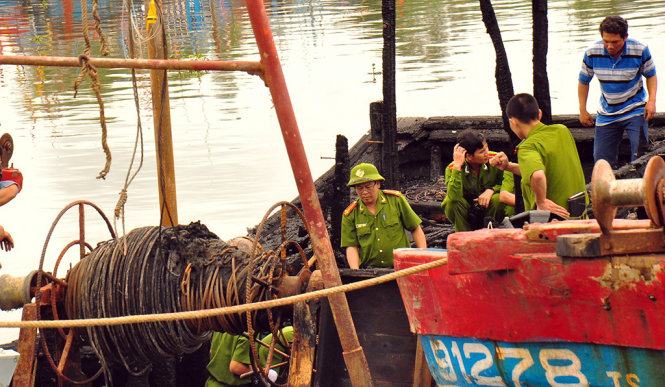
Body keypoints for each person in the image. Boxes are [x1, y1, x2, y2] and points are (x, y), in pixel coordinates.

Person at [578, 15, 657, 167]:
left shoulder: (640, 50)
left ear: (625, 37)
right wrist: (582, 109)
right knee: (601, 161)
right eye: (606, 41)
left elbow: (651, 76)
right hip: (607, 112)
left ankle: (640, 186)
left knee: (640, 155)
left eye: (615, 42)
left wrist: (652, 101)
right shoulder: (591, 53)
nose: (610, 46)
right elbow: (583, 82)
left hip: (635, 108)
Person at [492, 93, 587, 219]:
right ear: (540, 114)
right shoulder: (562, 131)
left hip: (555, 222)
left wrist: (541, 202)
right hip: (580, 215)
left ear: (513, 122)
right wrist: (508, 166)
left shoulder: (527, 147)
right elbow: (540, 169)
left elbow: (537, 175)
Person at [341, 163, 426, 269]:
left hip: (402, 267)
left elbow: (415, 228)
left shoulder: (396, 200)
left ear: (378, 184)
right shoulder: (350, 214)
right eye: (359, 188)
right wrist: (355, 272)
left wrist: (423, 258)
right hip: (370, 271)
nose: (364, 191)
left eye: (368, 186)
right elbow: (351, 246)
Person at [440, 129, 514, 232]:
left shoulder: (496, 159)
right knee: (451, 203)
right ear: (469, 156)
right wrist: (457, 166)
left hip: (489, 210)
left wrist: (491, 190)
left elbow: (509, 183)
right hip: (466, 212)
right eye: (482, 152)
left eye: (486, 147)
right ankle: (464, 235)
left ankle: (491, 230)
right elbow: (453, 197)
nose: (487, 153)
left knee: (498, 199)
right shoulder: (453, 168)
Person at [206, 331, 280, 387]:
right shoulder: (249, 331)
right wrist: (262, 373)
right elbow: (236, 367)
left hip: (211, 383)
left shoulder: (223, 323)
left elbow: (211, 352)